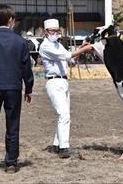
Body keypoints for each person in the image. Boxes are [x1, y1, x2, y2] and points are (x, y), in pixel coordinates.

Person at [0, 4, 34, 173]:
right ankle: (10, 162)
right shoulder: (20, 41)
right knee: (12, 124)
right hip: (13, 88)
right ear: (10, 20)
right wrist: (28, 88)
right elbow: (26, 68)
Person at [39, 19, 93, 158]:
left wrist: (80, 49)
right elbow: (67, 56)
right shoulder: (45, 46)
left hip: (63, 81)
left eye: (57, 30)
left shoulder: (58, 45)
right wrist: (83, 49)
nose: (56, 33)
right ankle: (64, 148)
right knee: (64, 114)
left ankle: (57, 144)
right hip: (54, 82)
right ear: (46, 32)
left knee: (62, 114)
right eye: (53, 31)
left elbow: (72, 61)